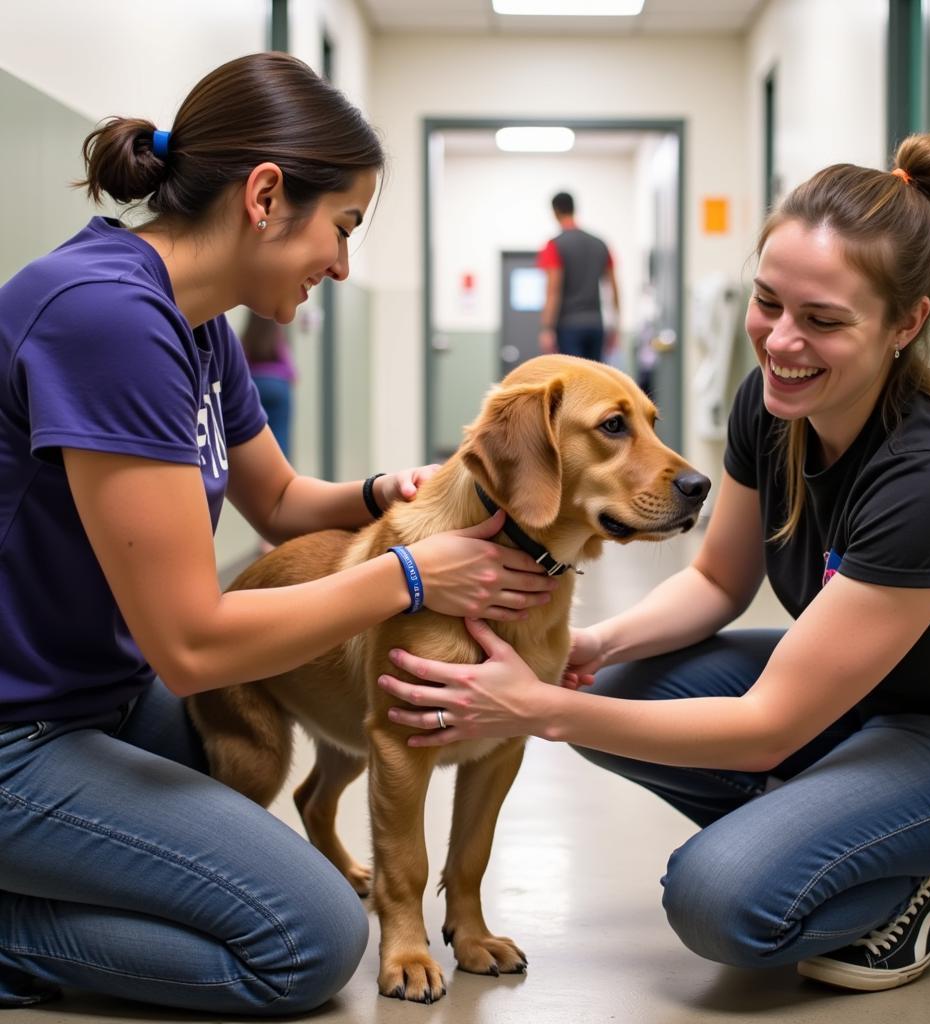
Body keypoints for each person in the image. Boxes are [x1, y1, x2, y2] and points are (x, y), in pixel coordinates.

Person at [378, 134, 930, 994]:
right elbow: (720, 580)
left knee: (720, 900)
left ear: (906, 323)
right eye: (768, 303)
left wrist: (535, 708)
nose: (782, 341)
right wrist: (590, 648)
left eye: (823, 320)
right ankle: (840, 830)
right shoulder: (774, 400)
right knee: (603, 683)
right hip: (871, 696)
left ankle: (902, 879)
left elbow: (769, 726)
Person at [0, 52, 557, 1016]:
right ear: (265, 196)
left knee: (243, 807)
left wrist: (387, 491)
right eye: (341, 227)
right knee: (307, 939)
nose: (342, 264)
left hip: (99, 703)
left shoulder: (195, 320)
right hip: (20, 734)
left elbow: (284, 501)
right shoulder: (105, 318)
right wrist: (413, 577)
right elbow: (191, 645)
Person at [537, 191, 620, 362]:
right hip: (596, 325)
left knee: (573, 383)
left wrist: (546, 328)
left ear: (555, 212)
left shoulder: (554, 245)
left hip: (568, 326)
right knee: (593, 382)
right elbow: (613, 288)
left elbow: (553, 291)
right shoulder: (600, 244)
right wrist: (615, 327)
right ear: (574, 209)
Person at [241, 311, 296, 461]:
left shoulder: (247, 337)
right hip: (278, 387)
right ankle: (282, 475)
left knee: (251, 434)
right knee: (280, 435)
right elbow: (292, 372)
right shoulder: (277, 338)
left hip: (253, 386)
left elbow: (239, 366)